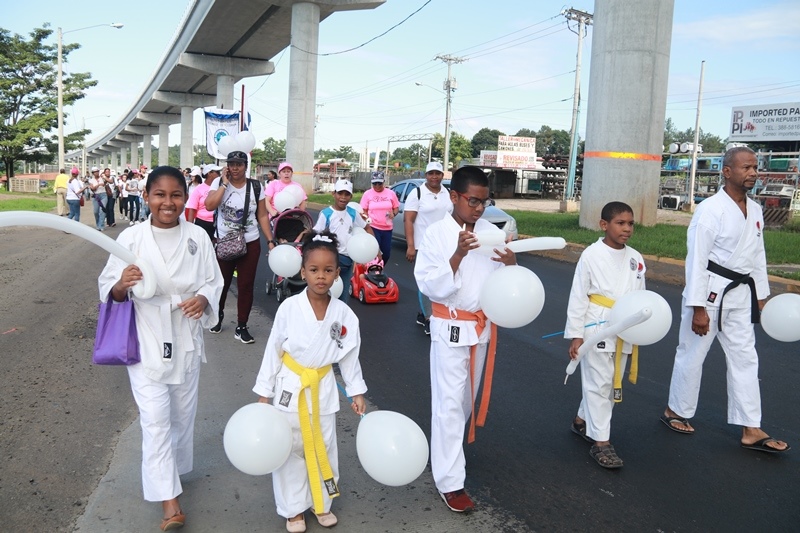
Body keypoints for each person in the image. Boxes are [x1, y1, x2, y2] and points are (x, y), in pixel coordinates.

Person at [97, 165, 224, 532]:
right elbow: (109, 289)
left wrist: (203, 299)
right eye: (160, 195)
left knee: (182, 415)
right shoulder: (131, 238)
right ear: (146, 196)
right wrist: (122, 283)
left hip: (185, 335)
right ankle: (169, 499)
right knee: (155, 418)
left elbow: (213, 281)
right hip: (147, 334)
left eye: (176, 195)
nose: (168, 203)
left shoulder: (198, 236)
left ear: (185, 197)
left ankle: (174, 470)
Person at [661, 146, 790, 453]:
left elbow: (758, 256)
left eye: (755, 167)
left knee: (746, 358)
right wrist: (698, 308)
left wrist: (761, 297)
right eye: (747, 167)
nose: (753, 173)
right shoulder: (710, 209)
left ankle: (751, 427)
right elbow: (696, 261)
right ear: (727, 172)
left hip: (741, 295)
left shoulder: (755, 209)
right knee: (693, 354)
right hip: (710, 293)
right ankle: (675, 410)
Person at [414, 165, 516, 513]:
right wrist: (457, 254)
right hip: (450, 326)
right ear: (454, 196)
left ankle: (449, 453)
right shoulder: (436, 234)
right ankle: (449, 481)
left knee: (464, 403)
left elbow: (504, 285)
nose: (478, 208)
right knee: (448, 405)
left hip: (481, 328)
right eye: (473, 201)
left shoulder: (491, 233)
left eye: (484, 202)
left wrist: (511, 264)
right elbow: (429, 285)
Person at [253, 230, 367, 533]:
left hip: (322, 387)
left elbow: (349, 356)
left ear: (337, 273)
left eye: (328, 270)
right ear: (302, 272)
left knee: (324, 445)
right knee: (291, 447)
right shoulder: (289, 308)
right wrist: (264, 391)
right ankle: (293, 509)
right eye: (314, 270)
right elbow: (274, 350)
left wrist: (356, 390)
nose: (321, 277)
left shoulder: (344, 314)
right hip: (291, 385)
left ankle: (322, 502)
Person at [565, 202, 646, 469]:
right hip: (596, 325)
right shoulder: (591, 255)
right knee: (598, 383)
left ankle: (581, 420)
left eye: (630, 223)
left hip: (625, 327)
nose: (627, 228)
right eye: (620, 223)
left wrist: (640, 330)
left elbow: (641, 298)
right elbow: (578, 296)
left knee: (612, 382)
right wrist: (576, 335)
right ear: (604, 225)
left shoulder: (636, 258)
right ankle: (601, 441)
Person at [205, 150, 276, 343]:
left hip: (250, 241)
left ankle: (242, 326)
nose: (235, 168)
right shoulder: (218, 182)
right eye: (231, 164)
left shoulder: (256, 186)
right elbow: (209, 205)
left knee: (246, 285)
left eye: (239, 164)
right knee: (222, 283)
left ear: (246, 166)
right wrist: (224, 184)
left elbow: (262, 215)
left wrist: (270, 240)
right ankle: (218, 315)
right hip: (225, 241)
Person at [404, 161, 452, 334]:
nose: (434, 177)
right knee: (426, 282)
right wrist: (411, 246)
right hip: (423, 245)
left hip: (444, 244)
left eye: (437, 173)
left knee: (442, 280)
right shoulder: (417, 193)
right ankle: (429, 318)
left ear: (442, 175)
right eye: (431, 173)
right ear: (426, 175)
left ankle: (424, 312)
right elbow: (408, 220)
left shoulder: (447, 193)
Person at [312, 179, 374, 302]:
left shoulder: (353, 213)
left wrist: (375, 248)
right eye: (340, 193)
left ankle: (341, 314)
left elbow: (367, 227)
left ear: (351, 196)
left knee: (343, 297)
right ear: (333, 194)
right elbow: (316, 234)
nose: (343, 197)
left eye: (347, 194)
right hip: (331, 260)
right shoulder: (326, 213)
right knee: (327, 295)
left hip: (347, 261)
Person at [360, 172, 399, 263]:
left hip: (387, 228)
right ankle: (373, 269)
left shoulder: (390, 193)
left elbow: (396, 207)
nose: (377, 186)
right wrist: (366, 218)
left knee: (386, 254)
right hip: (373, 227)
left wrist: (393, 213)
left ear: (383, 182)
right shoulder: (367, 194)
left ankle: (380, 268)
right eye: (375, 184)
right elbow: (363, 209)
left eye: (379, 183)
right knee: (375, 252)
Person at [186, 163, 222, 241]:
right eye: (217, 172)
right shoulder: (199, 189)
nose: (219, 174)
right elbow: (192, 209)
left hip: (218, 222)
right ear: (209, 173)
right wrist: (190, 228)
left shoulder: (221, 188)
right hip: (202, 223)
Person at [88, 166, 108, 231]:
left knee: (102, 210)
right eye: (95, 172)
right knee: (96, 212)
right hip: (96, 196)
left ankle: (101, 225)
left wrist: (104, 177)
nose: (96, 173)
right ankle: (98, 224)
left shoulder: (102, 178)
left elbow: (109, 181)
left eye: (97, 171)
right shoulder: (91, 180)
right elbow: (92, 188)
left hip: (103, 195)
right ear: (93, 173)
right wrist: (99, 185)